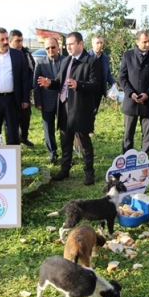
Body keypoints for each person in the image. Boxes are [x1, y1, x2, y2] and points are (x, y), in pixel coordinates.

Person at [37, 32, 101, 185]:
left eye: (72, 44)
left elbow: (97, 85)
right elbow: (60, 82)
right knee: (65, 141)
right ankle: (64, 170)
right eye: (67, 45)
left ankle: (89, 173)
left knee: (84, 142)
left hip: (80, 109)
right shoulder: (66, 61)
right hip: (64, 107)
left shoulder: (90, 62)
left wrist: (80, 85)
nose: (69, 47)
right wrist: (50, 83)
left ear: (80, 44)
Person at [119, 30, 149, 157]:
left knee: (147, 134)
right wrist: (130, 93)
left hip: (148, 102)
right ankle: (127, 158)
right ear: (137, 42)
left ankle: (144, 160)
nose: (148, 44)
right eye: (145, 42)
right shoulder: (128, 55)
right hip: (130, 101)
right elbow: (122, 77)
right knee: (128, 133)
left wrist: (148, 94)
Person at [33, 37, 65, 164]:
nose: (50, 50)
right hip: (46, 101)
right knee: (48, 128)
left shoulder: (65, 61)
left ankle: (66, 154)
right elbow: (36, 84)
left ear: (58, 47)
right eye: (47, 48)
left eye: (53, 47)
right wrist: (38, 102)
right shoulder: (40, 63)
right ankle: (52, 152)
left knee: (65, 129)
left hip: (63, 101)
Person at [9, 29, 36, 148]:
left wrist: (29, 84)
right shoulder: (6, 54)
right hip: (10, 94)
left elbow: (32, 70)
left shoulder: (26, 53)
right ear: (10, 41)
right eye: (17, 41)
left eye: (21, 40)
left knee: (25, 117)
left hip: (25, 91)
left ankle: (23, 137)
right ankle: (13, 143)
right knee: (11, 121)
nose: (20, 43)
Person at [88, 35, 118, 137]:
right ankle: (84, 130)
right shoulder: (87, 56)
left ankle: (90, 130)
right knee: (87, 110)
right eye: (97, 43)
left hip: (100, 89)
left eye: (101, 42)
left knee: (94, 110)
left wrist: (113, 82)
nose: (99, 45)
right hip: (88, 89)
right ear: (92, 44)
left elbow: (108, 73)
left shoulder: (105, 57)